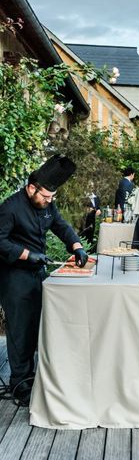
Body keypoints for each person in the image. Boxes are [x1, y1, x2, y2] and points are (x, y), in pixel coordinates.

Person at [0, 155, 88, 405]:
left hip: (38, 274)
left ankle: (35, 377)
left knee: (38, 325)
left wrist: (76, 246)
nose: (49, 202)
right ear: (31, 188)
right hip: (14, 277)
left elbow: (60, 226)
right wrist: (27, 254)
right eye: (45, 197)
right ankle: (20, 385)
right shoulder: (10, 208)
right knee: (20, 330)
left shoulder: (46, 204)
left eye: (52, 197)